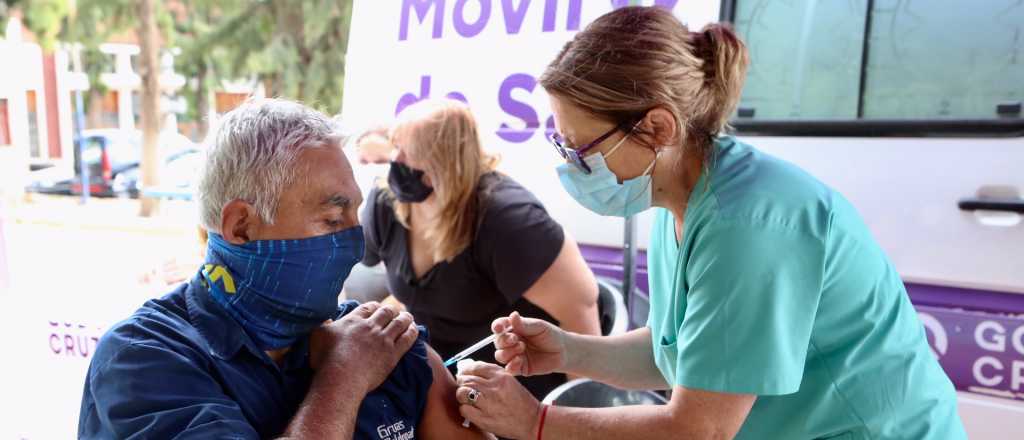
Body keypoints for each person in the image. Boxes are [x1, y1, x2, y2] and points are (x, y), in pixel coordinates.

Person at [454, 7, 966, 440]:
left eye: (581, 148)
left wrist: (536, 422)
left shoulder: (750, 223)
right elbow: (683, 356)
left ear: (657, 127)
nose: (572, 165)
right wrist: (570, 350)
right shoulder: (677, 196)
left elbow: (698, 427)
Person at [78, 99, 492, 440]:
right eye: (332, 220)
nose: (354, 243)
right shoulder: (145, 358)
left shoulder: (384, 344)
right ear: (241, 225)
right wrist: (343, 378)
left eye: (355, 216)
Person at [356, 99, 601, 399]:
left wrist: (574, 413)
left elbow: (581, 309)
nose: (396, 160)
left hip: (514, 388)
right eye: (396, 147)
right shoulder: (386, 204)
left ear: (447, 161)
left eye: (410, 152)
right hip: (435, 382)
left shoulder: (508, 221)